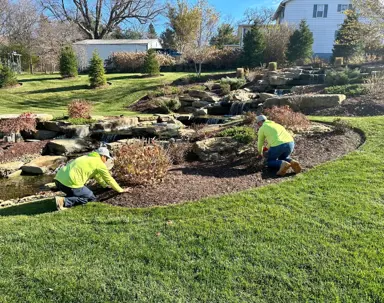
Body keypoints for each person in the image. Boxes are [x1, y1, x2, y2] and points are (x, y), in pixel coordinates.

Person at [54, 147, 129, 210]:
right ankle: (63, 201)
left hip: (58, 181)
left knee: (80, 194)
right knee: (91, 198)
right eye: (106, 158)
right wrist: (120, 190)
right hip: (70, 183)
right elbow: (109, 178)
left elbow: (97, 175)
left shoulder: (86, 157)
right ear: (103, 156)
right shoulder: (99, 163)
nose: (106, 161)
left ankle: (64, 199)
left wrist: (104, 185)